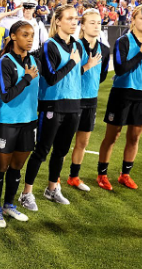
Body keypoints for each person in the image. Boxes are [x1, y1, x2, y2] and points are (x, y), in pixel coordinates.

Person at [18, 5, 83, 211]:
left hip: (74, 105)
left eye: (76, 19)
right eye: (70, 18)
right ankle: (26, 193)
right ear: (58, 21)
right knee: (42, 150)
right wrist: (72, 62)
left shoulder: (78, 45)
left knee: (61, 151)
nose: (74, 22)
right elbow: (52, 77)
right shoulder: (49, 46)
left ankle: (52, 189)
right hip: (52, 105)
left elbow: (75, 76)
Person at [0, 20, 40, 227]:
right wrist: (26, 78)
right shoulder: (5, 61)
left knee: (17, 167)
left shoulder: (35, 60)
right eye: (25, 35)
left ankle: (9, 205)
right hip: (7, 122)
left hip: (29, 122)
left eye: (31, 35)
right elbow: (6, 95)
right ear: (13, 37)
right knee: (1, 167)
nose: (29, 39)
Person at [97, 5, 142, 190]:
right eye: (141, 18)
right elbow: (121, 69)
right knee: (112, 136)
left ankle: (125, 175)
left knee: (134, 137)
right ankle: (102, 174)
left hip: (141, 95)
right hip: (122, 93)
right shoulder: (124, 41)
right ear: (133, 19)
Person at [67, 8, 110, 192]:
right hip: (71, 99)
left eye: (98, 22)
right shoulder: (74, 46)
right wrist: (87, 65)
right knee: (64, 141)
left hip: (91, 100)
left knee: (83, 142)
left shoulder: (105, 50)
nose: (96, 26)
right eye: (91, 22)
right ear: (82, 25)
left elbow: (101, 76)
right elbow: (67, 74)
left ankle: (73, 177)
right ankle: (55, 179)